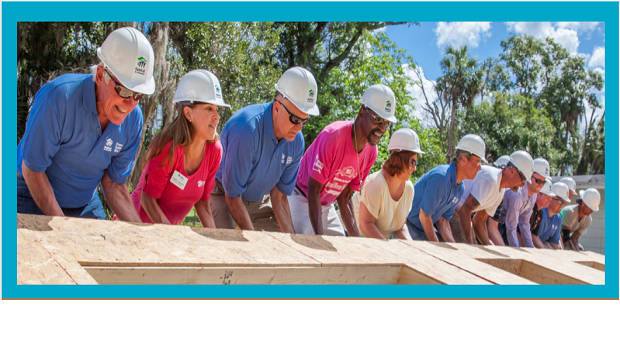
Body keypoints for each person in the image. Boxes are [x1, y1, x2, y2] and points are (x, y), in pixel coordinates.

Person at [17, 27, 155, 221]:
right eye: (124, 90)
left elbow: (114, 184)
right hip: (28, 189)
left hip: (84, 201)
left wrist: (139, 233)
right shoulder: (59, 98)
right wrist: (63, 227)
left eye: (138, 95)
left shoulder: (134, 120)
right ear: (100, 76)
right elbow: (32, 168)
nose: (131, 103)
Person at [210, 66, 318, 233]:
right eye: (295, 119)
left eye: (304, 121)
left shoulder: (297, 142)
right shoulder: (246, 129)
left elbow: (279, 196)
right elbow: (232, 196)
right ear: (277, 108)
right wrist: (254, 240)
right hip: (224, 196)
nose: (299, 128)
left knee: (281, 251)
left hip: (260, 202)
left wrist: (292, 243)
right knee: (230, 251)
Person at [289, 84, 394, 236]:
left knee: (344, 246)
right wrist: (319, 238)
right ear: (362, 112)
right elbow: (313, 190)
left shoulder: (371, 152)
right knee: (312, 244)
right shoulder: (334, 136)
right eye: (378, 119)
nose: (382, 128)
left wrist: (355, 240)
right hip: (302, 196)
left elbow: (344, 197)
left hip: (326, 204)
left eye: (387, 122)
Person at [130, 70, 229, 226]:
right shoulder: (169, 148)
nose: (216, 116)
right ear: (188, 113)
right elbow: (147, 200)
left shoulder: (215, 151)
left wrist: (213, 239)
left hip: (166, 234)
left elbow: (203, 202)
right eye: (209, 108)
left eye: (217, 109)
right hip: (136, 226)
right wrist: (170, 237)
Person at [406, 134, 486, 242]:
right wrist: (437, 247)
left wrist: (452, 246)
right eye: (477, 162)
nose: (479, 168)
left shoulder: (460, 188)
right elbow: (424, 216)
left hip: (425, 229)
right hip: (408, 225)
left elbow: (443, 220)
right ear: (463, 159)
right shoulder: (441, 178)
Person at [352, 128, 424, 240]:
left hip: (380, 243)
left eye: (416, 162)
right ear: (398, 159)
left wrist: (412, 247)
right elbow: (366, 224)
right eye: (411, 162)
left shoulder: (409, 188)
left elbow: (399, 227)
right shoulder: (377, 185)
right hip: (354, 239)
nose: (414, 168)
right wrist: (386, 248)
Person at [451, 150, 534, 245]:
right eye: (523, 179)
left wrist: (488, 246)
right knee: (468, 249)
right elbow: (465, 211)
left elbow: (479, 221)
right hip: (452, 209)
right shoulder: (491, 180)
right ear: (512, 171)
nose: (523, 185)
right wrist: (470, 245)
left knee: (475, 248)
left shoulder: (500, 191)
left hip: (461, 212)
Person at [497, 157, 550, 248]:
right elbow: (511, 227)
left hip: (505, 226)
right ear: (529, 176)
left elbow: (524, 223)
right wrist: (517, 250)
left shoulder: (533, 196)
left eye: (543, 182)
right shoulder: (517, 194)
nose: (541, 185)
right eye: (538, 181)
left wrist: (531, 248)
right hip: (495, 223)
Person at [532, 182, 570, 249]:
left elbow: (554, 243)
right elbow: (533, 236)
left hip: (541, 245)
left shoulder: (558, 218)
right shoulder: (541, 212)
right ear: (551, 198)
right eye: (560, 201)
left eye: (564, 202)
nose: (562, 205)